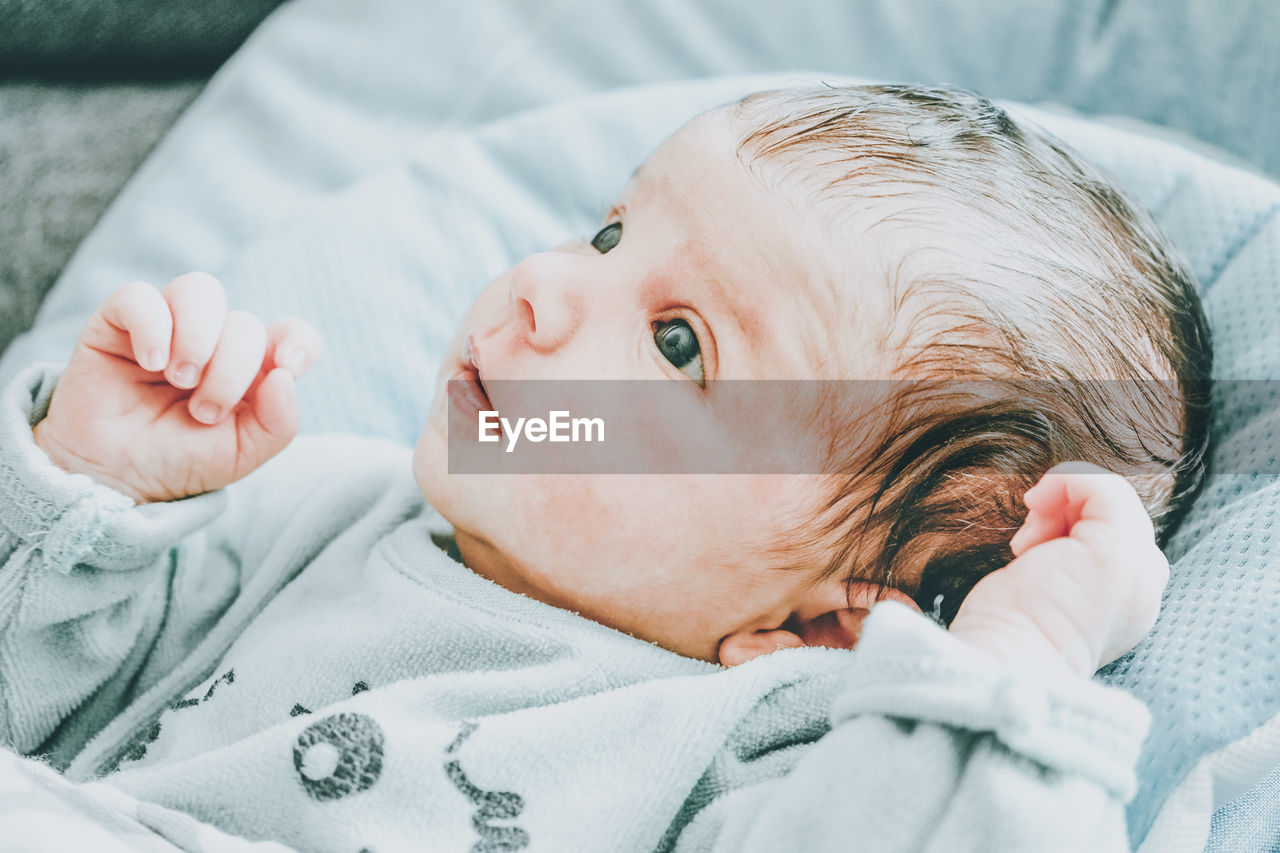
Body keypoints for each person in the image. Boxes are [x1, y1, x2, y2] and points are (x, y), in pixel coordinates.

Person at [0, 84, 1210, 851]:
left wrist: (1020, 661)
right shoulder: (315, 504)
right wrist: (87, 485)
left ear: (824, 624)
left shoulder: (757, 751)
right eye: (607, 232)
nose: (543, 285)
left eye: (676, 340)